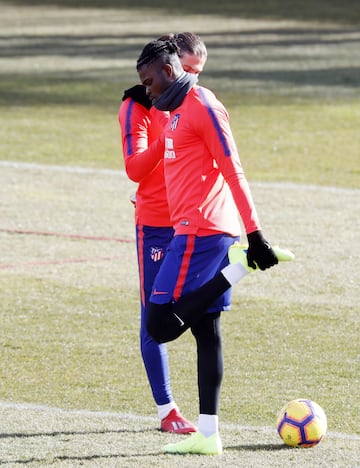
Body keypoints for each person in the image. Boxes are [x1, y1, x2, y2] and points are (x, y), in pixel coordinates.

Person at [136, 38, 280, 455]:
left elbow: (232, 168)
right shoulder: (175, 111)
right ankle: (210, 434)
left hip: (201, 232)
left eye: (149, 82)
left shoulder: (203, 106)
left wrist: (254, 236)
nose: (147, 91)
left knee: (159, 324)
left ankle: (238, 267)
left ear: (167, 72)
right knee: (206, 329)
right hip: (202, 230)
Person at [118, 33, 207, 434]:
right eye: (188, 71)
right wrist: (167, 132)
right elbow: (135, 168)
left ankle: (210, 413)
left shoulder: (200, 103)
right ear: (170, 67)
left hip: (195, 221)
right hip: (156, 225)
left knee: (208, 310)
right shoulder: (138, 105)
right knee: (153, 316)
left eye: (200, 73)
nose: (195, 81)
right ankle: (166, 410)